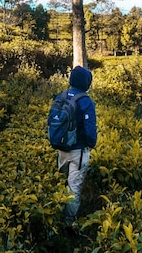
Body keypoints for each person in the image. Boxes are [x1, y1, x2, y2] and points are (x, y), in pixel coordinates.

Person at [57, 65, 97, 230]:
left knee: (62, 183)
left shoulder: (62, 96)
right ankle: (68, 225)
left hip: (61, 148)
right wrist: (91, 143)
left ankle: (54, 214)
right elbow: (90, 130)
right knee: (74, 189)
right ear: (86, 83)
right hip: (78, 151)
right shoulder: (86, 102)